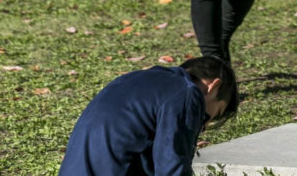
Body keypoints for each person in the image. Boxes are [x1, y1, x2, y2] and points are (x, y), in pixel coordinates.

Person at [58, 56, 239, 175]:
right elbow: (172, 166)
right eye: (208, 116)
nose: (203, 125)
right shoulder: (186, 92)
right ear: (213, 86)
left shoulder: (134, 79)